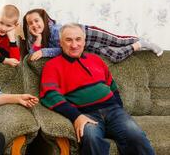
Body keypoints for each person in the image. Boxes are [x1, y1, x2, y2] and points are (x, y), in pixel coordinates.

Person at [39, 23, 155, 155]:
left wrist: (118, 108)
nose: (74, 45)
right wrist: (76, 116)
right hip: (85, 114)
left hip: (113, 111)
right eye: (68, 40)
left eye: (78, 39)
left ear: (84, 41)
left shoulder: (96, 59)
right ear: (60, 42)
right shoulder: (52, 65)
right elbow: (50, 95)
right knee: (91, 138)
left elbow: (112, 85)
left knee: (136, 136)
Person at [22, 8, 163, 63]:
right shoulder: (34, 38)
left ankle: (143, 41)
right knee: (115, 56)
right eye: (30, 23)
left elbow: (60, 49)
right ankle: (139, 45)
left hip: (88, 34)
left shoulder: (56, 30)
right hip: (83, 47)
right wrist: (38, 40)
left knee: (118, 41)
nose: (34, 25)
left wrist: (43, 51)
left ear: (45, 20)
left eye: (36, 21)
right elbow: (32, 55)